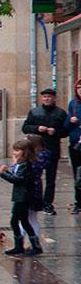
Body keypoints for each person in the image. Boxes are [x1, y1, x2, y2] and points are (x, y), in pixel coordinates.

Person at [23, 88, 67, 215]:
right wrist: (37, 128)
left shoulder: (60, 113)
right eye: (45, 97)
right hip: (36, 150)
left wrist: (56, 132)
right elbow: (25, 127)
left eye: (49, 97)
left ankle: (47, 203)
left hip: (52, 148)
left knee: (51, 179)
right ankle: (35, 200)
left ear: (54, 98)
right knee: (34, 177)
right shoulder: (35, 112)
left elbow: (66, 131)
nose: (47, 99)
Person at [0, 139, 41, 256]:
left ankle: (30, 246)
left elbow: (17, 180)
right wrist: (6, 172)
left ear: (25, 152)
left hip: (23, 198)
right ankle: (23, 246)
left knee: (16, 221)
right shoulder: (21, 165)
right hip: (20, 197)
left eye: (17, 150)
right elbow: (16, 177)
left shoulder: (26, 165)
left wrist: (2, 174)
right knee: (23, 221)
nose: (14, 153)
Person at [63, 78, 81, 214]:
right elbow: (66, 127)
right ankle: (78, 202)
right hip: (76, 144)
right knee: (77, 174)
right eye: (79, 88)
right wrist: (70, 120)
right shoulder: (73, 104)